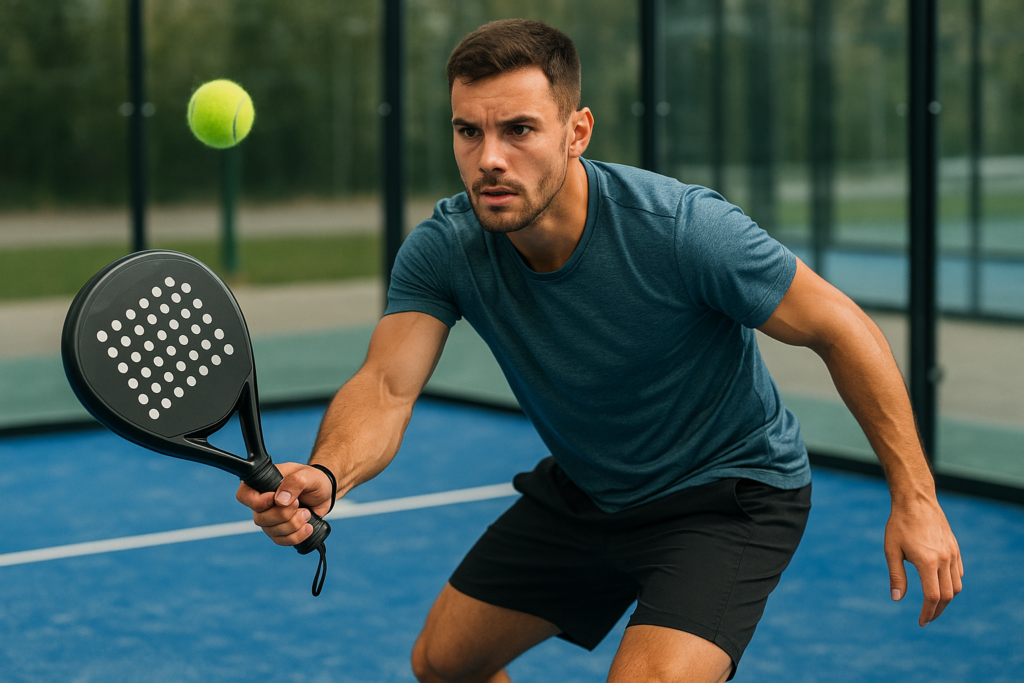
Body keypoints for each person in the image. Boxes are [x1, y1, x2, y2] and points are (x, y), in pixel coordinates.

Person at [236, 18, 963, 683]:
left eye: (519, 129)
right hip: (590, 491)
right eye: (468, 131)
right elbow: (386, 385)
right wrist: (330, 472)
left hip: (727, 495)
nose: (489, 158)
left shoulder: (682, 229)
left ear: (577, 130)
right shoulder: (445, 248)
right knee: (444, 663)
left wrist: (916, 496)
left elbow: (841, 326)